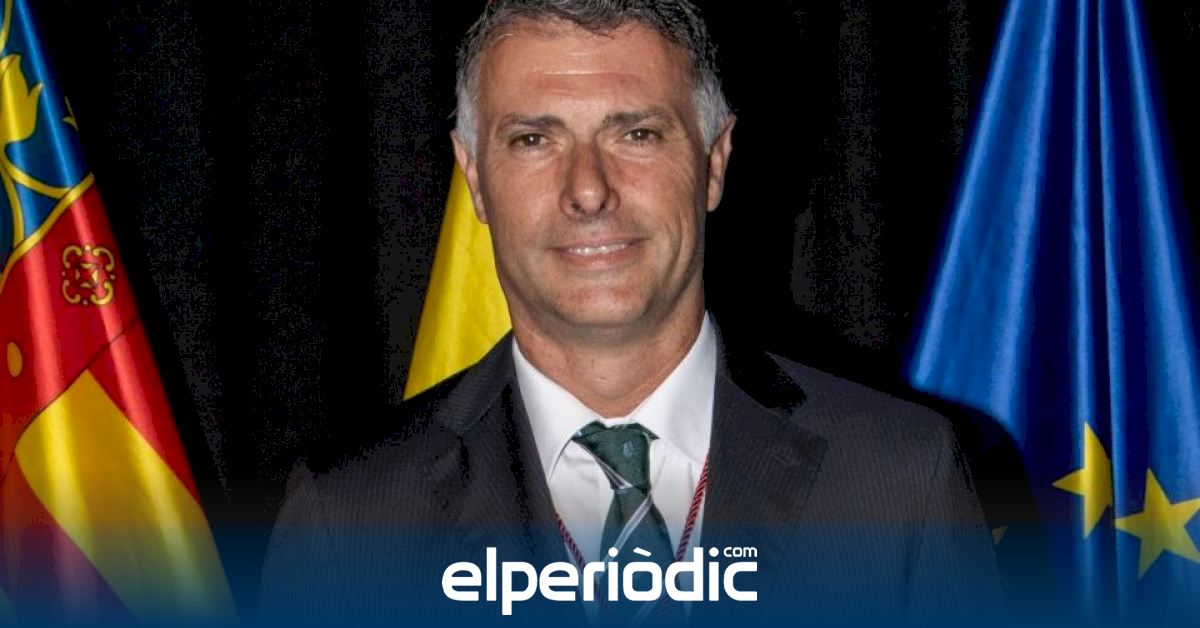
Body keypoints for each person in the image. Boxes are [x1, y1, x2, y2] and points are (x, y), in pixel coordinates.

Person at [260, 0, 1005, 623]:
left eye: (636, 134)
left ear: (714, 161)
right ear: (475, 177)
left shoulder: (899, 478)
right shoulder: (349, 520)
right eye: (534, 139)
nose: (588, 189)